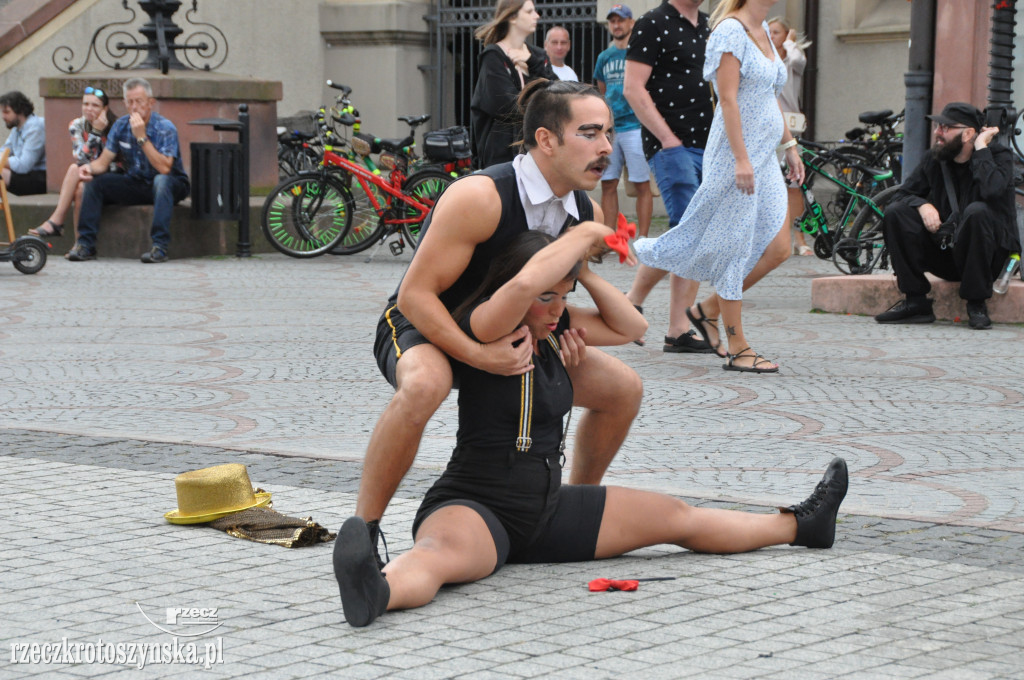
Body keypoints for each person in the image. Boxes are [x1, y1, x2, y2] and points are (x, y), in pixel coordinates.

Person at [332, 226, 850, 627]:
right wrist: (574, 240)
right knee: (436, 559)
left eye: (563, 296)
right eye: (545, 297)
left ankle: (803, 525)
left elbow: (633, 326)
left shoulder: (560, 333)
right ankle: (376, 591)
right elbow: (521, 286)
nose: (555, 308)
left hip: (551, 508)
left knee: (678, 518)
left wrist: (584, 274)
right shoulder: (487, 330)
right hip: (475, 505)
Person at [355, 79, 644, 573]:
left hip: (510, 331)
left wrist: (560, 336)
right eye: (590, 133)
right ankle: (362, 531)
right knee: (426, 384)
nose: (605, 148)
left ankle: (571, 503)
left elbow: (565, 301)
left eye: (609, 134)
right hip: (427, 321)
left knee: (622, 388)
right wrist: (478, 356)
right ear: (546, 140)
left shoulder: (585, 211)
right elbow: (414, 296)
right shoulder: (480, 196)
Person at [633, 0, 803, 373]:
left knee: (779, 248)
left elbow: (768, 98)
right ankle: (739, 346)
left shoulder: (765, 32)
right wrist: (741, 159)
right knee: (735, 245)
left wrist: (789, 145)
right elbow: (727, 100)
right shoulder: (730, 30)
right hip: (736, 156)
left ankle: (706, 310)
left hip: (765, 156)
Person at [620, 0, 713, 352]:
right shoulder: (652, 22)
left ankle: (676, 327)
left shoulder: (708, 24)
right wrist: (667, 139)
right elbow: (633, 87)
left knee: (690, 233)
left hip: (709, 146)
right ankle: (635, 301)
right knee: (688, 230)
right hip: (672, 145)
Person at [874, 102, 1018, 330]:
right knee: (896, 212)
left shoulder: (999, 157)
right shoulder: (936, 159)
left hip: (987, 259)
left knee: (977, 211)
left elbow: (992, 190)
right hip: (945, 253)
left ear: (968, 133)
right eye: (938, 127)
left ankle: (976, 304)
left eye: (945, 128)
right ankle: (916, 302)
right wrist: (922, 205)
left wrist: (981, 148)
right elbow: (900, 196)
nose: (937, 133)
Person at [65, 78, 190, 263]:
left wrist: (141, 138)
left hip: (170, 184)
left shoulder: (165, 127)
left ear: (150, 103)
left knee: (161, 181)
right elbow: (104, 161)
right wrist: (88, 168)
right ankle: (86, 245)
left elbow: (164, 168)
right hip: (136, 181)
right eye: (130, 102)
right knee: (96, 182)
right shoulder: (121, 125)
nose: (134, 107)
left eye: (139, 101)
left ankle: (159, 247)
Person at [470, 0, 555, 169]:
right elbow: (505, 105)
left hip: (537, 152)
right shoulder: (494, 56)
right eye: (529, 11)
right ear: (513, 17)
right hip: (504, 156)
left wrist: (532, 63)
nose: (536, 16)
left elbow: (557, 93)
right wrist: (542, 107)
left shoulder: (538, 56)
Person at [593, 4, 653, 239]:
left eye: (621, 20)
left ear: (631, 23)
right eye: (613, 21)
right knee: (608, 183)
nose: (616, 25)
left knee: (641, 184)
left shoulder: (640, 52)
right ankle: (611, 237)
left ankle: (644, 238)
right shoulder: (604, 57)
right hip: (611, 130)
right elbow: (602, 90)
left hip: (636, 127)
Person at [29, 87, 118, 239]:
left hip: (111, 176)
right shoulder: (76, 125)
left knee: (74, 172)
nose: (89, 109)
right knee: (80, 189)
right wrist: (94, 133)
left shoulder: (115, 126)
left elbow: (117, 165)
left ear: (105, 109)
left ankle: (56, 222)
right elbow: (80, 158)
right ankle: (79, 243)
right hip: (87, 173)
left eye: (95, 105)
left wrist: (97, 132)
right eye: (85, 104)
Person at [769, 17, 812, 257]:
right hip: (768, 128)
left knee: (795, 186)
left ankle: (799, 237)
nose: (772, 36)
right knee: (768, 186)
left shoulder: (790, 61)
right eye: (770, 32)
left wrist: (790, 43)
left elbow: (798, 60)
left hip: (790, 128)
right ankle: (773, 239)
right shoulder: (764, 59)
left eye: (777, 32)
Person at [0, 91, 46, 196]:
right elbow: (4, 150)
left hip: (41, 178)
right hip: (26, 175)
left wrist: (2, 161)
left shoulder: (35, 128)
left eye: (7, 112)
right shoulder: (16, 129)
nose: (3, 116)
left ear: (20, 111)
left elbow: (24, 165)